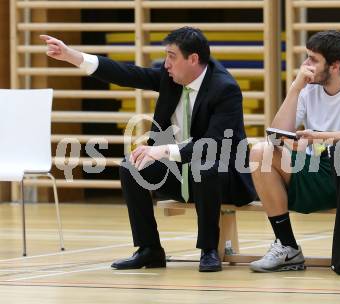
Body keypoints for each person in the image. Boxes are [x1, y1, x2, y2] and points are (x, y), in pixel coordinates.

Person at [41, 27, 256, 272]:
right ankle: (149, 249)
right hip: (181, 172)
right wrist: (72, 56)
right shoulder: (171, 77)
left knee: (203, 166)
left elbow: (213, 146)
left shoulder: (225, 88)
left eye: (172, 56)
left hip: (222, 179)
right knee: (131, 167)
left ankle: (208, 249)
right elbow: (127, 74)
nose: (166, 64)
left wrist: (163, 150)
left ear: (193, 59)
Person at [249, 30, 340, 274]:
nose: (305, 65)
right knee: (261, 152)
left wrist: (326, 137)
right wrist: (295, 88)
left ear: (335, 65)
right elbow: (275, 136)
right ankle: (287, 247)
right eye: (306, 57)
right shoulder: (307, 87)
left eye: (313, 59)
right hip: (322, 170)